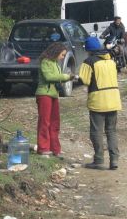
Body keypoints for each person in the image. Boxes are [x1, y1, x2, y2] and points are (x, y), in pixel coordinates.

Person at [78, 36, 122, 170]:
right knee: (111, 131)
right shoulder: (111, 61)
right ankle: (114, 160)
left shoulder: (89, 62)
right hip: (114, 99)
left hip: (98, 101)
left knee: (96, 131)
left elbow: (84, 80)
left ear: (88, 50)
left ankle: (98, 159)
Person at [34, 42, 74, 158]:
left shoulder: (55, 63)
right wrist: (66, 77)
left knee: (55, 122)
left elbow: (57, 77)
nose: (62, 57)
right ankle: (43, 148)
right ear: (55, 52)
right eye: (62, 55)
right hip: (44, 94)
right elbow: (49, 77)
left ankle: (55, 148)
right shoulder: (45, 62)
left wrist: (68, 78)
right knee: (44, 122)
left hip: (53, 95)